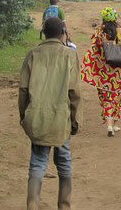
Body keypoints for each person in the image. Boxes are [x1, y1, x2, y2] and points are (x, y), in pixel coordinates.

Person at [19, 17, 81, 210]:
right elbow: (75, 93)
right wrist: (75, 120)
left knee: (37, 163)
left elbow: (23, 90)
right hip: (61, 118)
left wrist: (24, 117)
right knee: (64, 162)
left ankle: (32, 205)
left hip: (37, 117)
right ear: (62, 33)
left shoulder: (33, 55)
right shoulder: (70, 55)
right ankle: (64, 205)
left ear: (44, 33)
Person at [81, 7, 121, 137]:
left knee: (107, 98)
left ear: (103, 18)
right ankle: (113, 124)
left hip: (104, 72)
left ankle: (111, 125)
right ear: (115, 18)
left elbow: (95, 49)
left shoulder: (99, 32)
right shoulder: (120, 30)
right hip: (119, 72)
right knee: (116, 97)